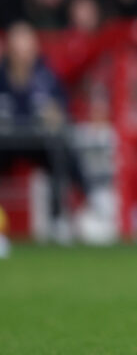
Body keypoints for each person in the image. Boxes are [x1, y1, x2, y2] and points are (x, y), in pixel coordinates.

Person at [0, 22, 84, 242]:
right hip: (4, 143)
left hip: (39, 142)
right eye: (17, 48)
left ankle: (63, 217)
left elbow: (63, 111)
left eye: (27, 48)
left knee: (63, 150)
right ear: (8, 48)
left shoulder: (46, 77)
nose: (22, 54)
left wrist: (55, 114)